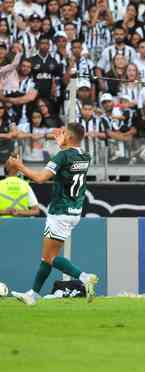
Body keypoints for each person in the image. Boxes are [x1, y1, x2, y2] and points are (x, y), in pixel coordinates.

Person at [8, 124, 98, 305]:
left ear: (70, 137)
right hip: (74, 211)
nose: (60, 134)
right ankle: (32, 294)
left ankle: (85, 277)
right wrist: (62, 145)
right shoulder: (85, 155)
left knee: (49, 257)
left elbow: (40, 178)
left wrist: (19, 166)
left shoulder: (62, 156)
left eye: (63, 132)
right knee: (47, 256)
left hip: (60, 211)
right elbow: (68, 160)